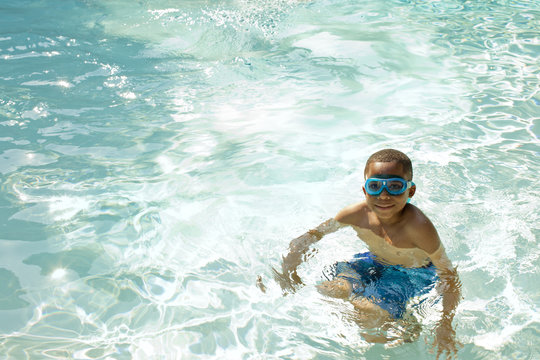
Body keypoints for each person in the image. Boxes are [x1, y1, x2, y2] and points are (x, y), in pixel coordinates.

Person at [272, 149, 462, 359]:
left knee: (369, 323)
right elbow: (310, 236)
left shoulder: (418, 227)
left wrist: (445, 324)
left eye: (395, 186)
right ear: (364, 190)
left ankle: (404, 322)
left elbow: (449, 274)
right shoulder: (356, 214)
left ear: (411, 191)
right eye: (374, 186)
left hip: (411, 274)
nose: (383, 195)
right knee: (330, 289)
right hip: (372, 262)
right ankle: (388, 314)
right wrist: (289, 268)